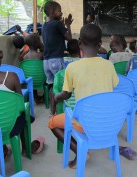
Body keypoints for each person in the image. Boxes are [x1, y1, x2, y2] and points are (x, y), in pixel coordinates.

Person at [48, 24, 120, 168]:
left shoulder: (72, 68)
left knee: (52, 123)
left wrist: (56, 97)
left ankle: (81, 151)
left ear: (79, 42)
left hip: (85, 124)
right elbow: (114, 85)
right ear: (100, 44)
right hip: (108, 122)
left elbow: (67, 95)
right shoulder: (109, 65)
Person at [42, 1, 73, 108]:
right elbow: (69, 38)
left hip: (46, 61)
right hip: (56, 60)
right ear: (51, 12)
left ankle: (52, 111)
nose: (61, 13)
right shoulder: (57, 24)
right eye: (59, 11)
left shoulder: (45, 26)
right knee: (61, 86)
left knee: (52, 86)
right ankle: (60, 109)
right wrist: (68, 25)